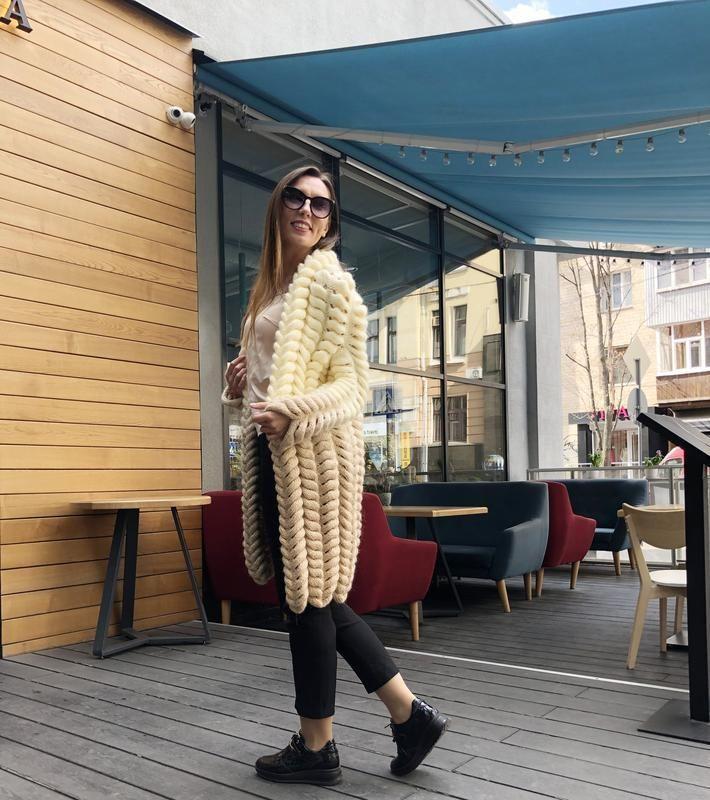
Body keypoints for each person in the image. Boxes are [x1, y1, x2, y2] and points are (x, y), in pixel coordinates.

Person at [222, 164, 447, 786]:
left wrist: (292, 411)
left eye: (320, 205)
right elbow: (269, 382)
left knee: (310, 602)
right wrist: (239, 385)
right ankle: (408, 715)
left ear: (329, 223)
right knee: (315, 601)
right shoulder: (270, 290)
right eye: (296, 198)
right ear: (277, 207)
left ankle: (319, 745)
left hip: (315, 464)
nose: (307, 210)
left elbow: (352, 388)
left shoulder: (331, 287)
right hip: (273, 458)